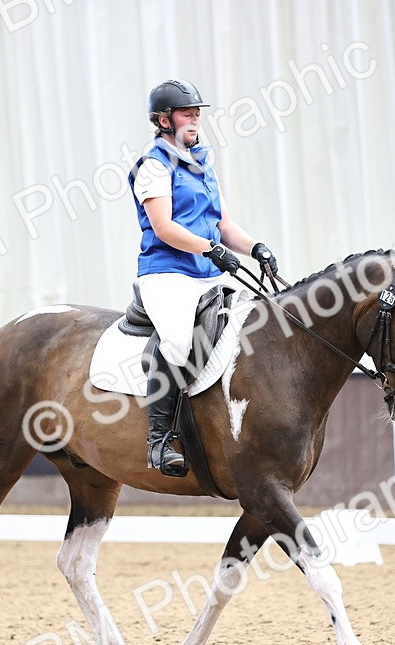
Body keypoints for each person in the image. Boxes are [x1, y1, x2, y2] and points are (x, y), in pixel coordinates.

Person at [128, 78, 279, 476]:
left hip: (209, 272)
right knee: (180, 344)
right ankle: (159, 440)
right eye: (186, 113)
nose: (195, 118)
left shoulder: (203, 164)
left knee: (259, 326)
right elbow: (163, 227)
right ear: (163, 119)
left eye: (197, 113)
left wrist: (256, 248)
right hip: (167, 273)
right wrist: (210, 249)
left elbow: (224, 225)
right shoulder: (154, 166)